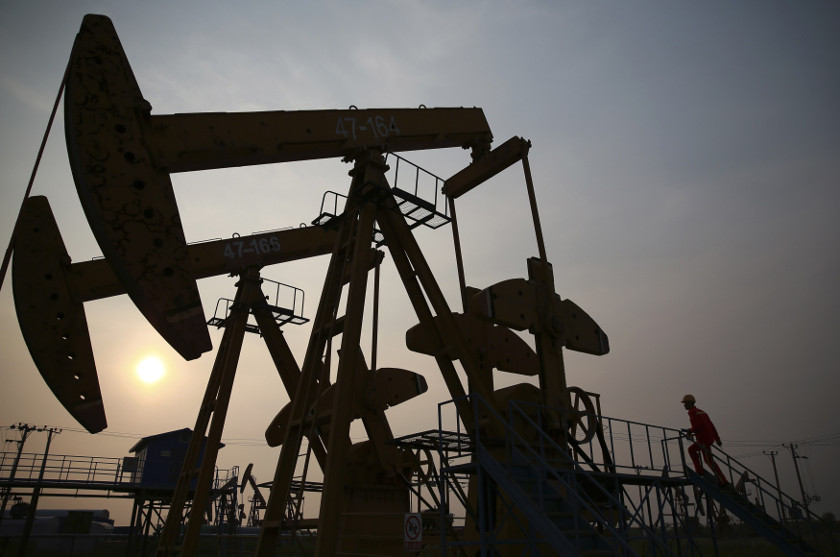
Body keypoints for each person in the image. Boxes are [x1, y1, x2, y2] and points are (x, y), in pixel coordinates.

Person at [681, 394, 729, 487]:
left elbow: (698, 426)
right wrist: (717, 439)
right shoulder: (702, 412)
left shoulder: (692, 412)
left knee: (708, 460)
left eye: (685, 403)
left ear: (689, 403)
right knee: (692, 449)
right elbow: (711, 426)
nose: (684, 405)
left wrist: (690, 431)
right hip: (707, 438)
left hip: (703, 439)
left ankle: (723, 481)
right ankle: (699, 470)